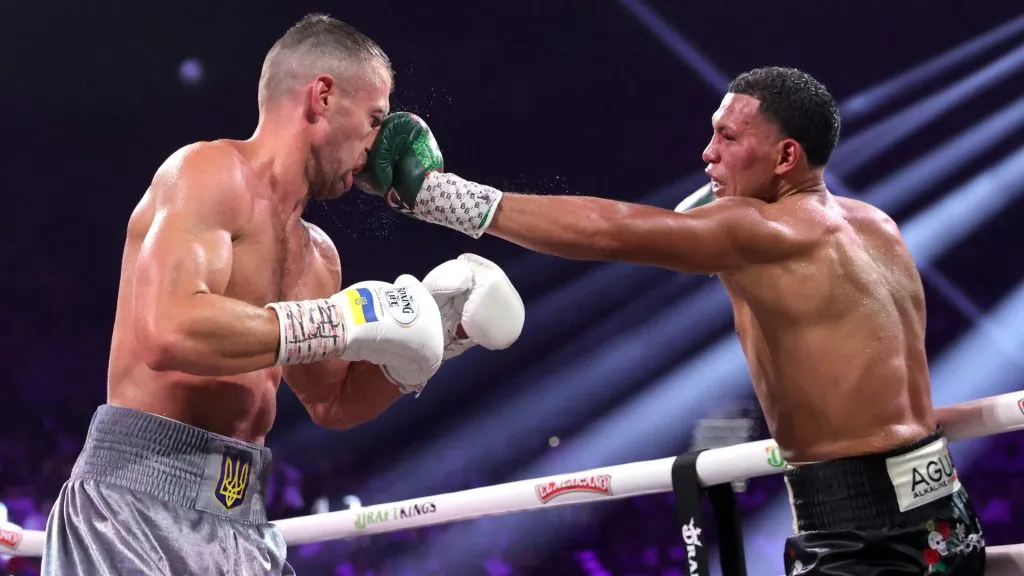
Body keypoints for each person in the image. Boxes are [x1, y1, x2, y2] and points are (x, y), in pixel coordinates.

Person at [358, 67, 986, 574]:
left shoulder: (762, 230)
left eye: (728, 138)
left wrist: (438, 194)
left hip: (858, 525)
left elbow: (610, 231)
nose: (708, 152)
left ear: (786, 156)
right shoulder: (876, 226)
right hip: (943, 510)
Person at [41, 13, 525, 576]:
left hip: (242, 518)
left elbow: (334, 402)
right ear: (323, 96)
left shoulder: (318, 256)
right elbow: (166, 330)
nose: (377, 148)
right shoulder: (208, 173)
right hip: (134, 506)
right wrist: (336, 321)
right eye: (373, 120)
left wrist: (440, 336)